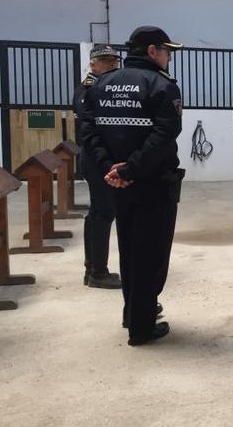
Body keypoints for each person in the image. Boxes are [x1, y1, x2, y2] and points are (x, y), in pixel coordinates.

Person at [79, 26, 184, 346]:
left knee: (129, 249)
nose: (168, 57)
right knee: (153, 253)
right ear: (152, 51)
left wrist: (111, 168)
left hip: (117, 183)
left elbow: (88, 131)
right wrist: (133, 168)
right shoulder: (161, 85)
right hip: (152, 183)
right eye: (166, 51)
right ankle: (142, 325)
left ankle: (132, 313)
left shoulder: (102, 85)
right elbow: (165, 135)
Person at [72, 44, 122, 289]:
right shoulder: (89, 89)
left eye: (113, 61)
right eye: (105, 61)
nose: (111, 65)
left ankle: (92, 268)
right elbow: (91, 127)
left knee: (97, 214)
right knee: (103, 214)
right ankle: (98, 272)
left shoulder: (103, 88)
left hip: (97, 159)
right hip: (96, 160)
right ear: (93, 64)